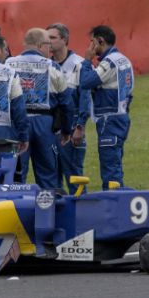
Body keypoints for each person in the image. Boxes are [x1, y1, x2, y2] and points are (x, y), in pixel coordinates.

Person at [6, 28, 74, 189]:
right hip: (45, 124)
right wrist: (66, 130)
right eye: (48, 45)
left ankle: (15, 210)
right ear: (39, 45)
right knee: (48, 175)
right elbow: (67, 103)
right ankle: (48, 210)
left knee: (16, 174)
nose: (49, 49)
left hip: (16, 123)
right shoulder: (53, 66)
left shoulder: (8, 64)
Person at [79, 25, 135, 189]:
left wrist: (87, 61)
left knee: (110, 171)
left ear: (100, 41)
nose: (90, 47)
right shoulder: (124, 59)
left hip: (109, 120)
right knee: (115, 166)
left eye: (92, 42)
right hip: (121, 116)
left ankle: (114, 206)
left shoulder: (109, 63)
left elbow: (86, 82)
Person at [47, 23, 90, 194]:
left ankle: (81, 216)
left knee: (74, 176)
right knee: (52, 178)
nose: (48, 42)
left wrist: (80, 126)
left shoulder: (79, 64)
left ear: (64, 40)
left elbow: (85, 99)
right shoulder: (46, 65)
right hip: (49, 130)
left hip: (72, 129)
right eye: (46, 38)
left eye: (52, 37)